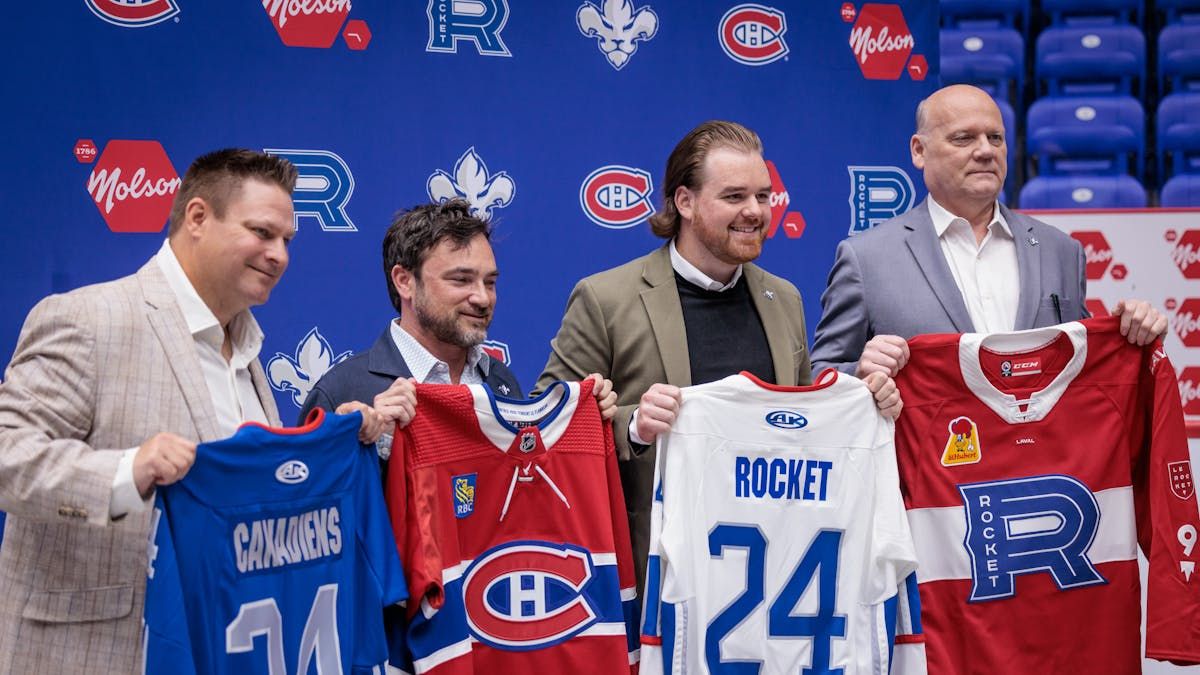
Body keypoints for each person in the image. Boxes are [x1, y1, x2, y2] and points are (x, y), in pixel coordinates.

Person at [0, 148, 384, 671]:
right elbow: (8, 455)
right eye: (262, 233)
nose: (280, 256)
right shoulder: (88, 319)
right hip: (98, 654)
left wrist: (341, 439)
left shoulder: (249, 357)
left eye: (288, 241)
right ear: (198, 218)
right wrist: (127, 472)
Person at [536, 120, 902, 589]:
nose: (755, 212)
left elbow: (803, 419)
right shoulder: (605, 299)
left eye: (764, 196)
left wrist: (864, 394)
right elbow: (548, 427)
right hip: (659, 575)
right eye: (734, 197)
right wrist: (634, 426)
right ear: (684, 201)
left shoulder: (784, 299)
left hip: (773, 573)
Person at [811, 84, 1167, 378]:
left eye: (995, 137)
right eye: (964, 138)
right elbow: (820, 373)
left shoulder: (1061, 251)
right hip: (920, 463)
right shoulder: (867, 258)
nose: (985, 151)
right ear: (919, 151)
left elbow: (1086, 369)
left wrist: (1134, 332)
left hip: (1041, 462)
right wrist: (859, 371)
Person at [298, 199, 617, 447]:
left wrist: (582, 420)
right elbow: (311, 510)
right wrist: (363, 442)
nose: (482, 298)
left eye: (489, 282)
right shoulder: (341, 393)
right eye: (461, 280)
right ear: (405, 281)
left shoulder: (500, 382)